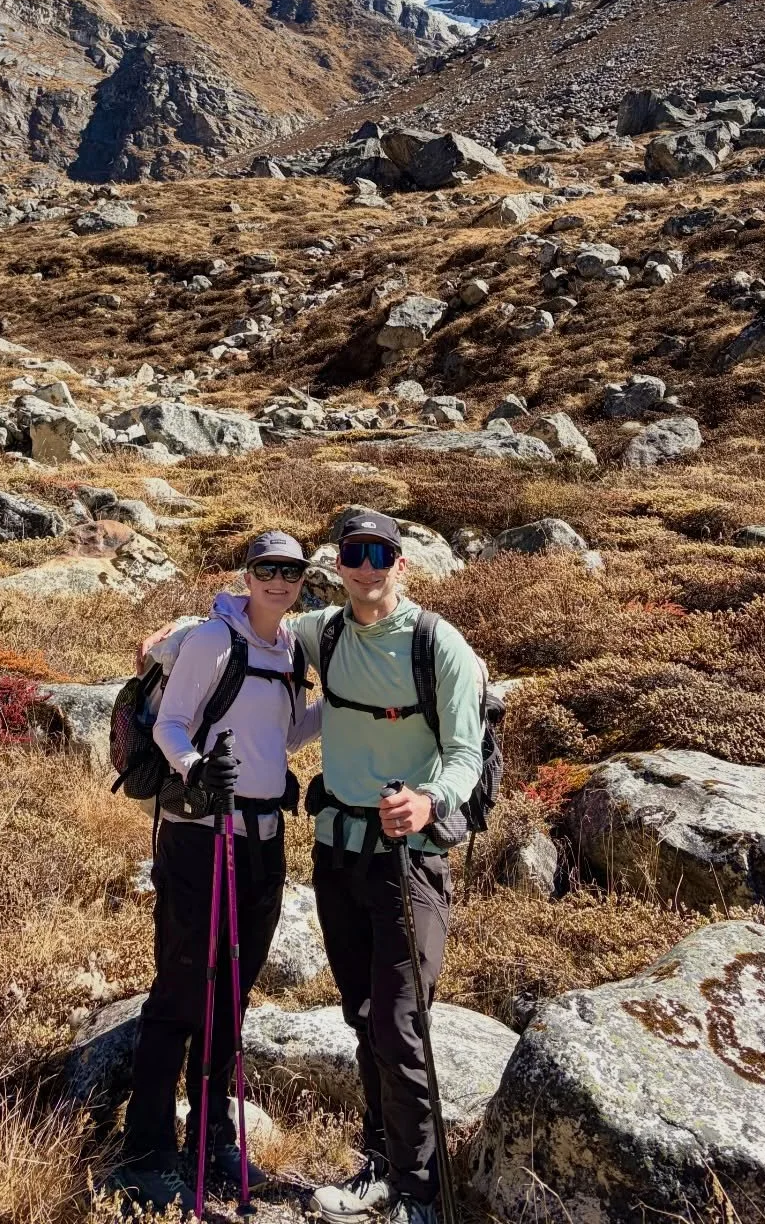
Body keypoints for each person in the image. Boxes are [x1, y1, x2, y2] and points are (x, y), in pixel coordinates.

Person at [109, 530, 321, 1214]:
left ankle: (213, 1139)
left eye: (291, 570)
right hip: (201, 837)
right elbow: (170, 724)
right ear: (247, 574)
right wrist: (197, 768)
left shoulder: (289, 650)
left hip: (263, 840)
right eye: (267, 568)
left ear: (302, 579)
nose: (279, 580)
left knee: (232, 993)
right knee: (180, 991)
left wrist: (344, 709)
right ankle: (145, 1152)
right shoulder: (212, 640)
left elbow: (284, 735)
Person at [294, 509, 482, 1224]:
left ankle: (421, 1194)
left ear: (402, 564)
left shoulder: (439, 644)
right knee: (363, 1017)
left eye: (380, 554)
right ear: (339, 564)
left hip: (411, 863)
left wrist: (429, 801)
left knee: (402, 1026)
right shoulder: (323, 632)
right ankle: (381, 1165)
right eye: (354, 553)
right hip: (337, 854)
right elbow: (253, 621)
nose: (367, 567)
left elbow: (464, 755)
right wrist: (174, 639)